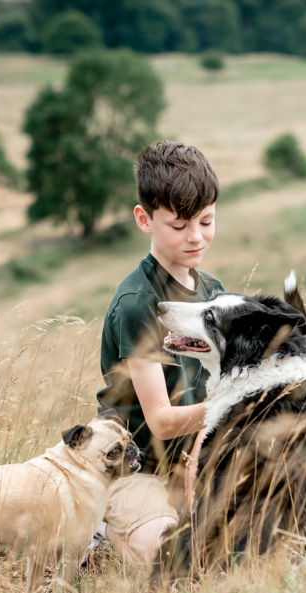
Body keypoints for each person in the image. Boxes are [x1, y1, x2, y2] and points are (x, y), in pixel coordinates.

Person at [95, 141, 222, 562]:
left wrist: (204, 447)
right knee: (177, 559)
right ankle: (101, 528)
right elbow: (164, 423)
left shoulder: (213, 293)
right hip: (134, 467)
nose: (196, 237)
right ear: (143, 220)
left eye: (206, 221)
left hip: (194, 459)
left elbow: (214, 388)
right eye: (180, 225)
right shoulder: (138, 303)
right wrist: (236, 404)